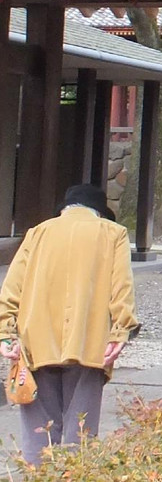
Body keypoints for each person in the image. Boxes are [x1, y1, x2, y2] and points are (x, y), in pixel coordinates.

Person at [0, 184, 140, 465]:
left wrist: (5, 335)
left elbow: (10, 289)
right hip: (89, 344)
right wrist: (120, 332)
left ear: (65, 209)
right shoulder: (113, 234)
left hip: (35, 343)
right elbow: (121, 288)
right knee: (81, 434)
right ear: (100, 213)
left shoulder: (38, 233)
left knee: (39, 436)